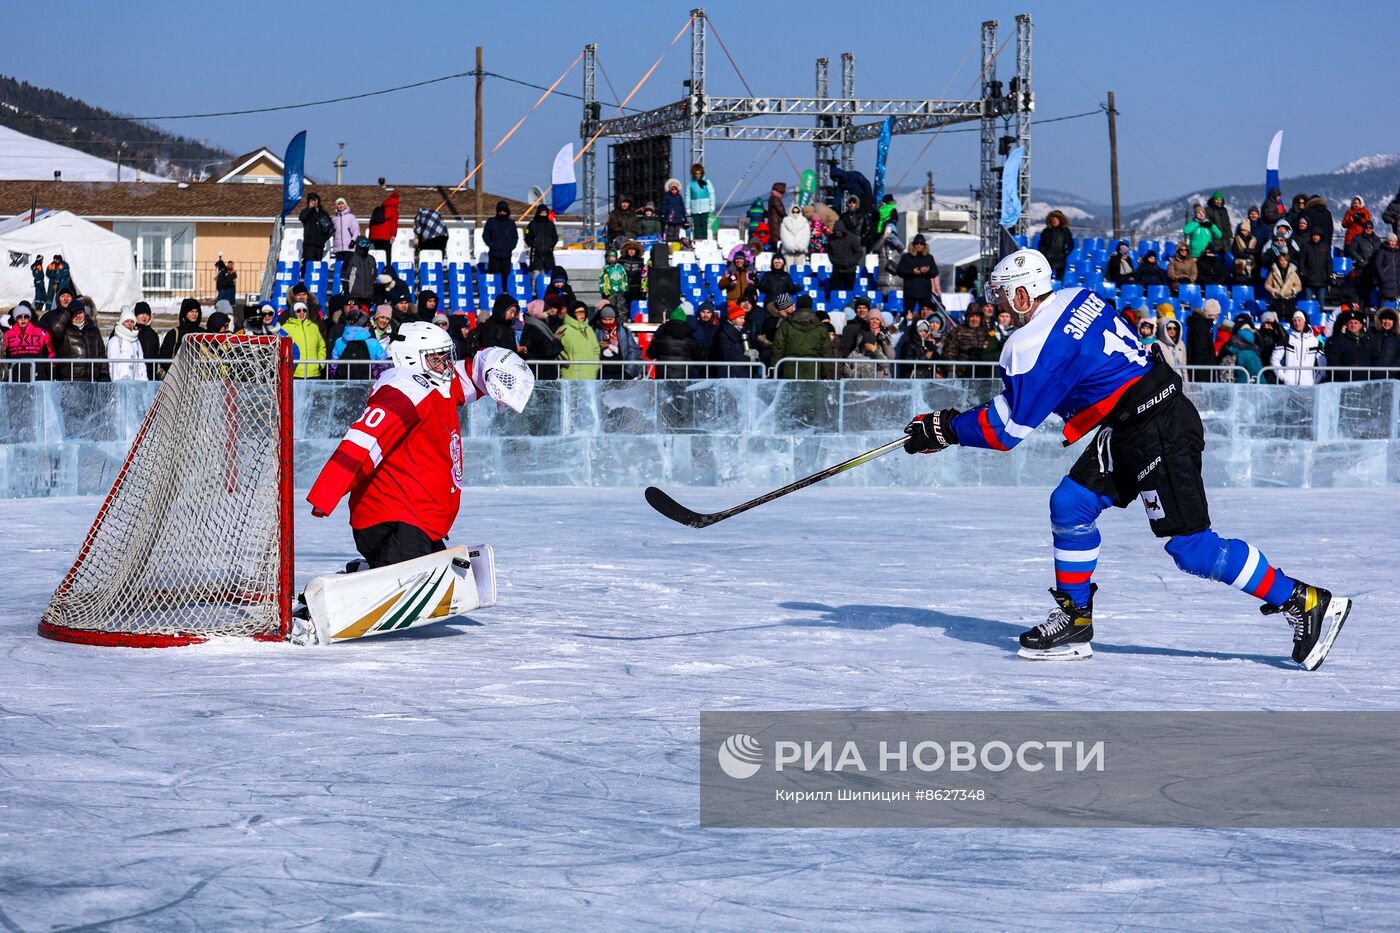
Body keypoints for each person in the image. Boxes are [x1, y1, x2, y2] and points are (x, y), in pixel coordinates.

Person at [901, 247, 1350, 669]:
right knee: (1071, 504)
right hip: (1136, 419)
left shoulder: (1029, 343)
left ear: (1022, 294)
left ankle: (1304, 601)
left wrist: (944, 429)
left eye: (1000, 296)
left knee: (1192, 548)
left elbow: (1006, 431)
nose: (997, 306)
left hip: (1156, 429)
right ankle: (1076, 622)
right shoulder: (1079, 295)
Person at [308, 323, 533, 568]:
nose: (446, 365)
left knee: (440, 580)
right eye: (437, 359)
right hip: (391, 518)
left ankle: (363, 572)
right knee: (414, 583)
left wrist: (496, 362)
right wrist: (326, 493)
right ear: (412, 359)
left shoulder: (437, 384)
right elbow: (364, 440)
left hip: (418, 518)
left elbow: (470, 374)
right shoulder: (404, 389)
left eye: (447, 357)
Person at [772, 296, 834, 379]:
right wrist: (824, 372)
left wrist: (775, 367)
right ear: (811, 306)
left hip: (790, 369)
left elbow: (778, 348)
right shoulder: (820, 327)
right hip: (813, 370)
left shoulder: (786, 325)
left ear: (797, 305)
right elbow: (826, 351)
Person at [52, 300, 106, 381]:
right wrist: (67, 313)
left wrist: (103, 373)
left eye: (80, 312)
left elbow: (101, 352)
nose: (78, 316)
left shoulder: (93, 330)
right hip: (71, 380)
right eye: (74, 313)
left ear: (84, 313)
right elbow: (55, 330)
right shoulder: (65, 330)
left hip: (92, 379)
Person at [330, 307, 387, 380]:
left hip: (345, 383)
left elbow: (333, 366)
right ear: (365, 325)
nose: (369, 327)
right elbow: (384, 365)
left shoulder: (339, 342)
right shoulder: (373, 343)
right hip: (367, 383)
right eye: (368, 324)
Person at [3, 302, 54, 381]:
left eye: (26, 316)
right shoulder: (8, 335)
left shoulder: (41, 333)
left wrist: (51, 375)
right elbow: (4, 357)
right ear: (15, 319)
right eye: (20, 317)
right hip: (15, 379)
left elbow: (50, 355)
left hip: (38, 378)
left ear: (29, 318)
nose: (23, 319)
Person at [1271, 309, 1322, 386]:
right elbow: (1274, 359)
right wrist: (1283, 377)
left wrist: (1314, 381)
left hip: (1308, 386)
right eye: (1295, 320)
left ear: (1305, 321)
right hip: (1290, 385)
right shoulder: (1287, 340)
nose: (1297, 323)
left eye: (1299, 320)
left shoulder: (1315, 342)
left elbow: (1323, 365)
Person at [646, 308, 699, 379]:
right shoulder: (690, 337)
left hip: (664, 375)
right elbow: (698, 355)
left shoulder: (662, 336)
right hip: (685, 376)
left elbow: (650, 353)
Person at [593, 304, 641, 379]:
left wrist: (629, 371)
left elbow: (633, 350)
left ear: (615, 318)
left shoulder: (624, 331)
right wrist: (599, 346)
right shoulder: (595, 330)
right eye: (605, 319)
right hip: (601, 373)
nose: (607, 322)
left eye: (610, 319)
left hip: (621, 373)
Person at [282, 300, 328, 379]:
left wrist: (320, 363)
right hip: (294, 374)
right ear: (293, 312)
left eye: (304, 310)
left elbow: (321, 347)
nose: (302, 313)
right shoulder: (285, 328)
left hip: (314, 374)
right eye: (298, 310)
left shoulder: (314, 327)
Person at [157, 298, 203, 376]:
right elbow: (164, 356)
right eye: (191, 311)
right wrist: (174, 372)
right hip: (177, 377)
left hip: (198, 377)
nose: (194, 314)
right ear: (185, 313)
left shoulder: (203, 333)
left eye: (196, 311)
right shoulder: (174, 333)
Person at [896, 235, 940, 313]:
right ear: (913, 245)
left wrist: (927, 271)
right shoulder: (906, 257)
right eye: (917, 243)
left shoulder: (929, 257)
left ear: (925, 245)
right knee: (908, 316)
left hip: (925, 293)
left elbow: (935, 272)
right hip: (910, 293)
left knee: (925, 316)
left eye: (921, 244)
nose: (919, 245)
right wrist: (912, 272)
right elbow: (899, 271)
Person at [710, 303, 756, 377]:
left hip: (741, 371)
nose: (743, 320)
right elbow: (727, 354)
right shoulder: (723, 334)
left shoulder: (743, 331)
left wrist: (753, 354)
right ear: (733, 318)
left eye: (744, 318)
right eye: (740, 318)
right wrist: (747, 359)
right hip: (729, 373)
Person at [843, 313, 894, 378]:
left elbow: (891, 357)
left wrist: (880, 343)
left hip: (879, 377)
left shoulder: (884, 335)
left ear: (881, 321)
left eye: (877, 319)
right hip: (859, 379)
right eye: (872, 319)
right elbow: (859, 347)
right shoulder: (862, 332)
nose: (874, 321)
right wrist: (859, 375)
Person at [1324, 309, 1368, 382]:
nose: (1353, 325)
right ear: (1346, 325)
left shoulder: (1367, 340)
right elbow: (1333, 362)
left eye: (1356, 323)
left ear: (1361, 325)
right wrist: (1348, 374)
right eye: (1350, 322)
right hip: (1343, 381)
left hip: (1363, 381)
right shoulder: (1339, 340)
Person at [298, 192, 332, 281]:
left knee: (317, 263)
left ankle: (316, 281)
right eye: (312, 200)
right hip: (309, 243)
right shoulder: (306, 211)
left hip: (319, 244)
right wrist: (309, 208)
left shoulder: (323, 212)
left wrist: (324, 238)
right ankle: (305, 279)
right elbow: (302, 218)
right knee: (308, 263)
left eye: (315, 200)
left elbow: (330, 227)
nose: (314, 202)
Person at [106, 307, 146, 381]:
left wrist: (144, 381)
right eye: (127, 321)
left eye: (132, 321)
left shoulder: (136, 341)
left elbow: (141, 363)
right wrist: (116, 383)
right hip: (121, 382)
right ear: (122, 322)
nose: (129, 324)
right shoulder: (115, 340)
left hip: (136, 383)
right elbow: (112, 364)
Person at [1347, 220, 1381, 308]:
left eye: (1370, 228)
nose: (1368, 229)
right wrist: (1361, 260)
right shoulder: (1357, 238)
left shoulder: (1377, 240)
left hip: (1372, 270)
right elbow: (1351, 250)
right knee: (1360, 293)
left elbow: (1380, 253)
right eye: (1367, 227)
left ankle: (1368, 313)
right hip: (1361, 269)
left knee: (1370, 293)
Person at [482, 200, 518, 279]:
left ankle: (505, 290)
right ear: (497, 211)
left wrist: (510, 247)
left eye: (504, 211)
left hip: (507, 255)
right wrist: (492, 245)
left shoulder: (511, 223)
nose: (502, 213)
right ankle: (495, 291)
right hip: (494, 254)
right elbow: (485, 235)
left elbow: (515, 237)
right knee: (494, 276)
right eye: (500, 211)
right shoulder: (491, 222)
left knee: (505, 277)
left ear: (507, 211)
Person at [826, 224, 864, 296]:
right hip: (837, 269)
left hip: (850, 270)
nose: (838, 235)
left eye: (839, 233)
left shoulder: (852, 238)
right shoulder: (831, 238)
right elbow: (828, 250)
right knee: (834, 291)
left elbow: (859, 252)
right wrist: (833, 261)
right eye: (836, 233)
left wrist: (851, 262)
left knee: (849, 291)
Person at [331, 197, 360, 289]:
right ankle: (339, 284)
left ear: (345, 205)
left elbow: (356, 230)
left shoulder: (351, 217)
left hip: (349, 246)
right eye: (339, 204)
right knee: (340, 266)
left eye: (342, 204)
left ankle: (347, 283)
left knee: (347, 266)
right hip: (338, 247)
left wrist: (353, 240)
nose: (340, 206)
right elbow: (332, 231)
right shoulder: (334, 219)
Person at [1362, 308, 1400, 378]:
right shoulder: (1371, 334)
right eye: (1384, 319)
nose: (1387, 322)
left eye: (1390, 320)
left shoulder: (1397, 338)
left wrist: (1391, 372)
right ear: (1380, 320)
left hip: (1390, 378)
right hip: (1370, 376)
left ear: (1394, 322)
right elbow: (1365, 354)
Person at [1036, 210, 1074, 279]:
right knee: (1047, 280)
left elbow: (1071, 244)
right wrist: (1045, 254)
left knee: (1059, 280)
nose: (1054, 221)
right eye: (1053, 219)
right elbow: (1041, 244)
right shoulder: (1046, 231)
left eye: (1056, 219)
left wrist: (1065, 253)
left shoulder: (1065, 231)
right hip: (1048, 260)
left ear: (1060, 220)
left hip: (1060, 260)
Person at [1298, 230, 1331, 303]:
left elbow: (1328, 263)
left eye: (1317, 235)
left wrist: (1329, 275)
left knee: (1321, 302)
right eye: (1314, 235)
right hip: (1309, 280)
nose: (1315, 237)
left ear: (1320, 236)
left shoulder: (1325, 247)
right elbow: (1301, 261)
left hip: (1321, 281)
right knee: (1308, 302)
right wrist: (1303, 274)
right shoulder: (1306, 246)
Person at [343, 237, 378, 306]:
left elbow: (374, 278)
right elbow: (344, 276)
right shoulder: (351, 258)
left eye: (367, 244)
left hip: (368, 296)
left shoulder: (371, 259)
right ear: (358, 245)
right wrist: (347, 292)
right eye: (362, 244)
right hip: (354, 295)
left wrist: (374, 293)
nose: (365, 247)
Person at [524, 205, 558, 275]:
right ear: (538, 213)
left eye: (545, 213)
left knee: (549, 273)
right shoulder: (532, 224)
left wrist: (551, 245)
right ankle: (534, 285)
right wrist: (533, 245)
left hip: (548, 253)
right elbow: (527, 236)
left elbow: (555, 237)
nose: (543, 215)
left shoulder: (550, 225)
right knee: (535, 273)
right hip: (536, 253)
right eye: (542, 213)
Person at [686, 165, 715, 241]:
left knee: (704, 224)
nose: (697, 175)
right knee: (696, 224)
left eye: (699, 173)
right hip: (694, 207)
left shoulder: (707, 181)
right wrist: (687, 207)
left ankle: (705, 239)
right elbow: (688, 195)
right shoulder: (691, 183)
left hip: (705, 207)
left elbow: (711, 192)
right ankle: (697, 239)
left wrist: (712, 205)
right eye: (696, 173)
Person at [368, 190, 399, 255]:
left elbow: (371, 222)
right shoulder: (394, 211)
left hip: (375, 236)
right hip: (385, 237)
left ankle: (378, 265)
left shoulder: (379, 210)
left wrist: (370, 237)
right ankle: (387, 265)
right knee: (386, 254)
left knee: (378, 254)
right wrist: (393, 235)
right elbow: (394, 223)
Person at [1372, 234, 1400, 305]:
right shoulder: (1382, 251)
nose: (1393, 243)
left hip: (1395, 283)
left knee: (1394, 305)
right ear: (1388, 241)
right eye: (1391, 241)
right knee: (1384, 303)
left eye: (1394, 241)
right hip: (1385, 283)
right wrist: (1383, 277)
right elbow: (1377, 265)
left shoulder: (1398, 252)